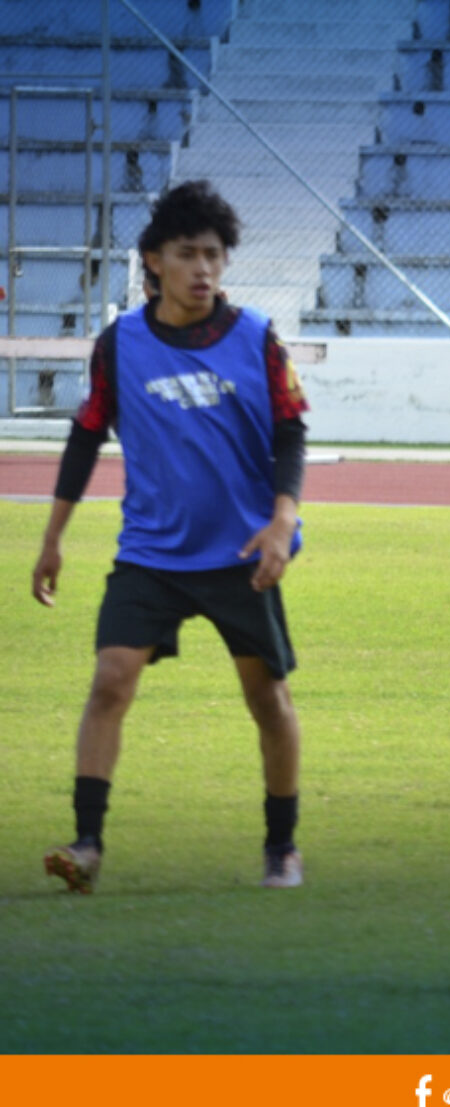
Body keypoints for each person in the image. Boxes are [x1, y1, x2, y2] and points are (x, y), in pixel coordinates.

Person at [32, 180, 312, 892]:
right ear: (154, 261)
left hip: (240, 554)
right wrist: (53, 538)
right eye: (187, 254)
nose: (203, 269)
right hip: (151, 555)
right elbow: (86, 436)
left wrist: (283, 518)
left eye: (213, 255)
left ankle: (282, 847)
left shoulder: (257, 338)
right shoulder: (120, 344)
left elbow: (290, 430)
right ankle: (86, 845)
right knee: (110, 681)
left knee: (267, 699)